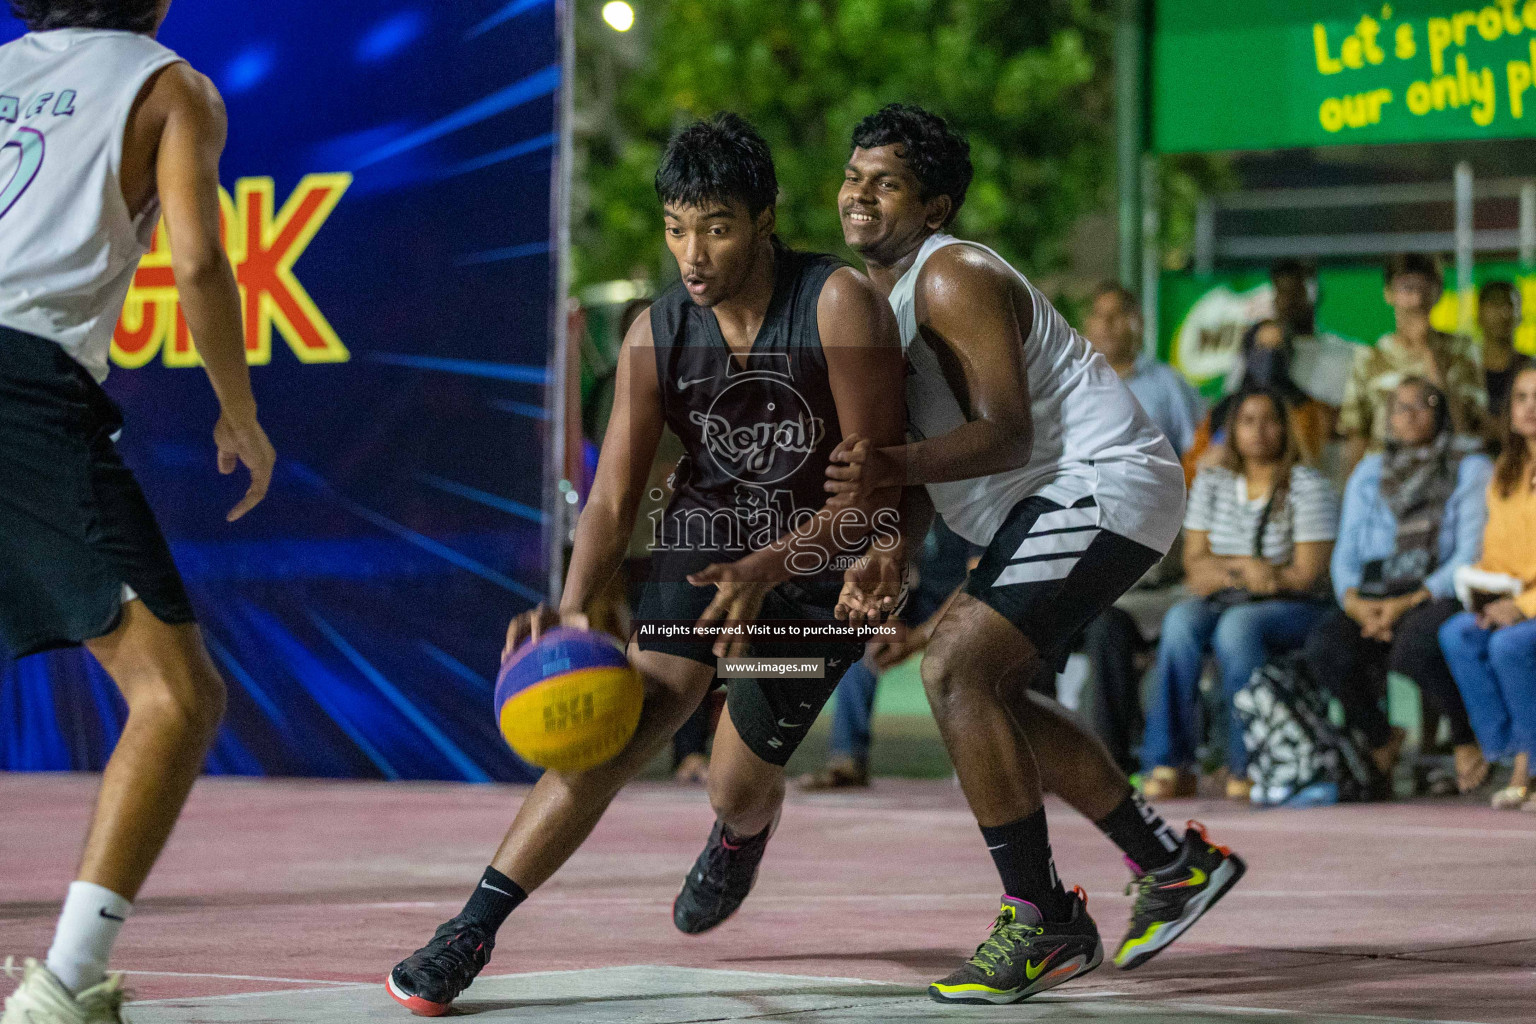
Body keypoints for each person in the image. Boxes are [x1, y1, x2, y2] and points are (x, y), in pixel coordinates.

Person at [675, 105, 1245, 1005]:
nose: (859, 194)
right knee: (993, 688)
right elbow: (918, 480)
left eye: (886, 182)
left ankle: (1043, 920)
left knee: (956, 674)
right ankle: (1168, 863)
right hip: (1041, 504)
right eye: (855, 176)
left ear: (934, 208)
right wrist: (891, 558)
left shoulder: (952, 274)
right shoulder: (880, 303)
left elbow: (1005, 434)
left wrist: (887, 468)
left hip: (1101, 483)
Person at [384, 113, 906, 1016]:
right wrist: (574, 604)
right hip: (704, 556)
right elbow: (614, 499)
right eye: (675, 227)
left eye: (716, 227)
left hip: (818, 571)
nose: (692, 253)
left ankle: (742, 830)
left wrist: (777, 566)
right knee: (620, 726)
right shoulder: (653, 332)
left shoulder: (835, 303)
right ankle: (469, 930)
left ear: (765, 218)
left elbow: (876, 485)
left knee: (733, 780)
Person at [0, 4, 276, 1023]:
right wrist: (238, 411)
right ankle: (63, 988)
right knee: (176, 697)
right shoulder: (170, 89)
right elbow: (198, 261)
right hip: (21, 383)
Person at [1141, 389, 1338, 802]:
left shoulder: (1307, 484)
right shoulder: (1213, 482)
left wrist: (1239, 572)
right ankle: (1170, 761)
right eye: (1247, 421)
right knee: (1179, 622)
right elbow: (1196, 565)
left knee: (1237, 629)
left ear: (1286, 429)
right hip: (1232, 596)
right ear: (1232, 431)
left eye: (1269, 420)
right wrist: (1248, 570)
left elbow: (1305, 575)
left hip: (1298, 607)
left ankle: (1246, 761)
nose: (1258, 430)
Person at [1304, 378, 1492, 792]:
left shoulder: (1470, 467)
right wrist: (1352, 601)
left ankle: (1466, 738)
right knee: (1326, 648)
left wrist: (1408, 601)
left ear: (1441, 412)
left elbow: (1469, 554)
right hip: (1373, 595)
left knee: (1416, 645)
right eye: (1399, 407)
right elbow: (1347, 548)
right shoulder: (1370, 471)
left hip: (1436, 588)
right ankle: (1381, 738)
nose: (1409, 415)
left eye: (1421, 405)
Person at [1438, 364, 1536, 810]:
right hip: (1513, 597)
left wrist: (1523, 606)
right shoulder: (1506, 471)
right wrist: (1486, 598)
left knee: (1509, 647)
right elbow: (1497, 555)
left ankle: (1528, 766)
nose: (1530, 407)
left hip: (1529, 606)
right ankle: (1511, 751)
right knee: (1457, 633)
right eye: (1520, 397)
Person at [1339, 254, 1487, 474]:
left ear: (1437, 293)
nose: (1416, 298)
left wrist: (1431, 354)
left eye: (1424, 288)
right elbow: (1356, 432)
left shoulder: (1462, 351)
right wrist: (1353, 487)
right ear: (1389, 294)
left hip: (1445, 473)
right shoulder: (1370, 357)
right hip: (1384, 475)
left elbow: (1469, 428)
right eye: (1406, 288)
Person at [1082, 281, 1205, 458]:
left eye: (1117, 314)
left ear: (1138, 322)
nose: (1106, 323)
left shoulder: (1168, 383)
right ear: (1088, 324)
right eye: (1099, 315)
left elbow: (1194, 450)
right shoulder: (1072, 381)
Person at [1476, 280, 1530, 423]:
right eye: (1495, 304)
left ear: (1520, 315)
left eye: (1510, 305)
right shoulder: (1464, 369)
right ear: (1479, 313)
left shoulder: (1529, 369)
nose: (1503, 313)